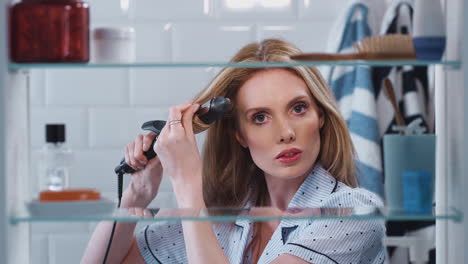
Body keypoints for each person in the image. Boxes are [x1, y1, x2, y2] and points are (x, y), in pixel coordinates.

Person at [81, 38, 386, 264]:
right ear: (239, 134)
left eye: (298, 108)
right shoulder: (221, 218)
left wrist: (188, 184)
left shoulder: (355, 213)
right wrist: (135, 197)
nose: (286, 132)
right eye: (260, 117)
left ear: (320, 115)